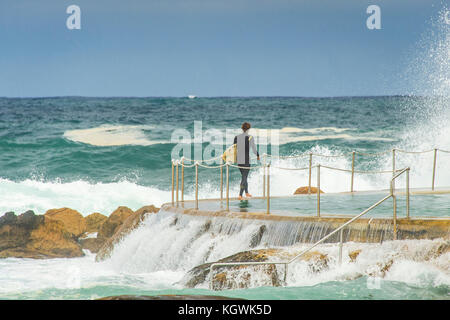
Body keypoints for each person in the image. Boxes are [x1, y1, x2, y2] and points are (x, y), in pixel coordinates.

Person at [234, 122, 260, 200]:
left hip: (239, 159)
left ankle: (247, 192)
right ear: (248, 129)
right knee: (244, 177)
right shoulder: (250, 137)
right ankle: (240, 195)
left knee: (244, 176)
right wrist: (258, 155)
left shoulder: (236, 137)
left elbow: (233, 148)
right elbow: (254, 148)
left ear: (242, 129)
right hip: (246, 159)